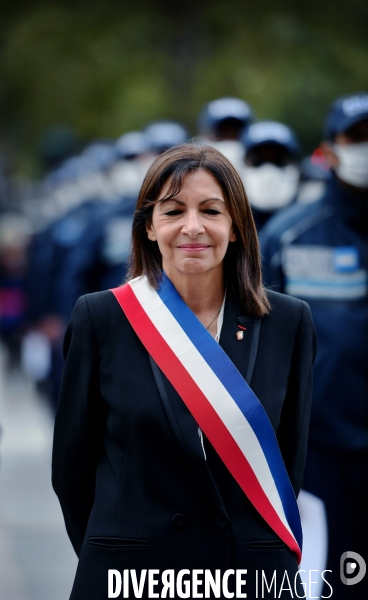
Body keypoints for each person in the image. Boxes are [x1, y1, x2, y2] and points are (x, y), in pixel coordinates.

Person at [52, 144, 316, 599]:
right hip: (133, 576)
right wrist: (121, 550)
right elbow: (71, 470)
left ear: (235, 227)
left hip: (246, 573)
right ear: (150, 227)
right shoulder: (102, 318)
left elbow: (287, 467)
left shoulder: (287, 323)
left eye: (211, 210)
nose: (192, 227)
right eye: (173, 210)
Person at [260, 92, 368, 600]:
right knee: (332, 583)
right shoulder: (289, 237)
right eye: (358, 137)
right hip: (319, 454)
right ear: (331, 148)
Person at [241, 121, 301, 230]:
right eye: (258, 161)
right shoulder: (229, 226)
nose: (268, 170)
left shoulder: (309, 224)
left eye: (279, 160)